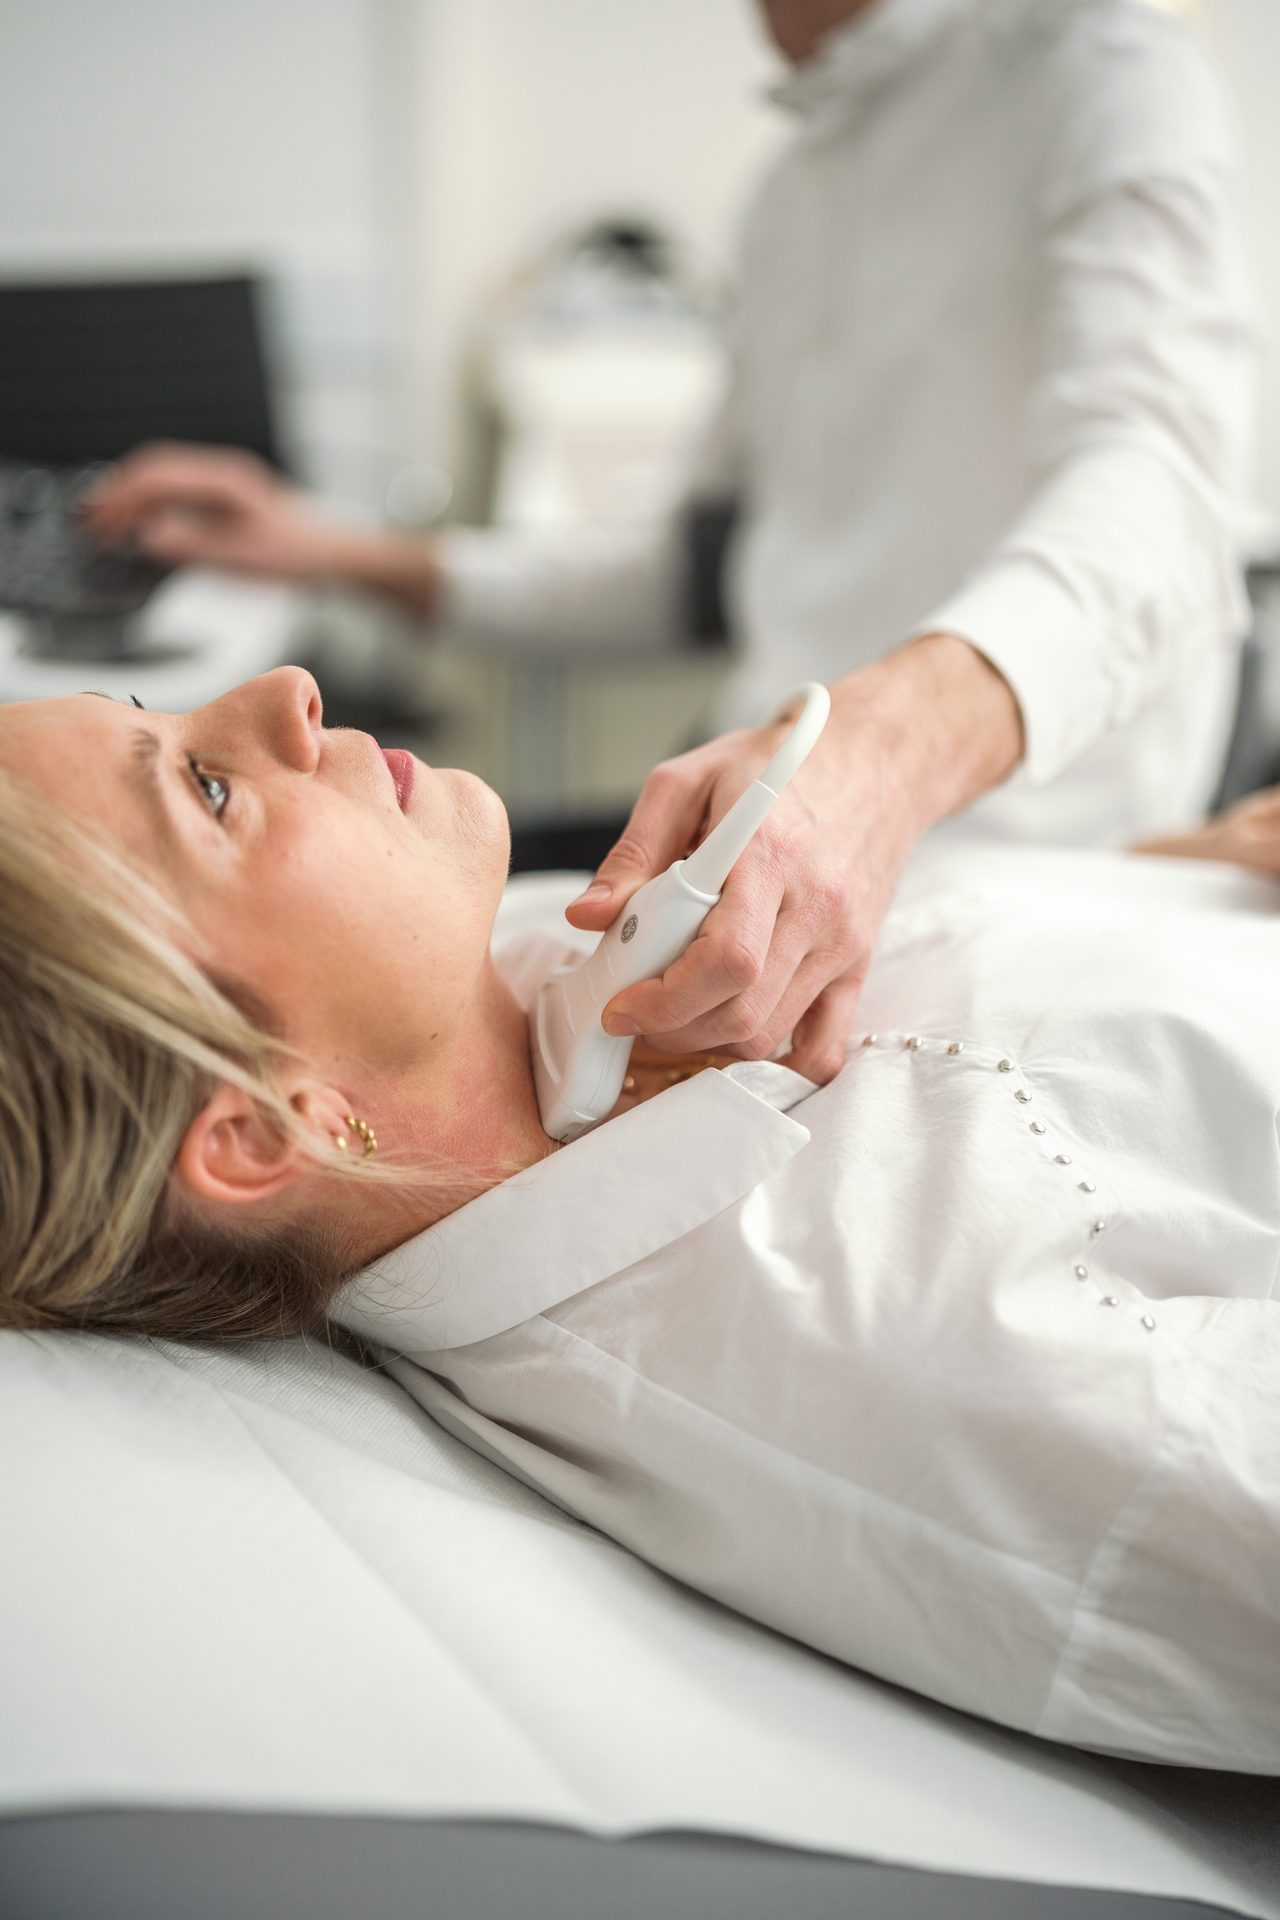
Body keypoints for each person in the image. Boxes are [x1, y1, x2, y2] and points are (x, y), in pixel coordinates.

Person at [1, 665, 1277, 1772]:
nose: (283, 694)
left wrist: (1169, 877)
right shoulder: (920, 1377)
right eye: (205, 791)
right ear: (275, 1127)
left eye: (149, 709)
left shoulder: (491, 962)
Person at [81, 0, 1258, 1089]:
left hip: (983, 883)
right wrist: (325, 549)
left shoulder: (1097, 65)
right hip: (755, 840)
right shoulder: (793, 192)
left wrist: (874, 764)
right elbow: (689, 579)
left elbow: (1165, 503)